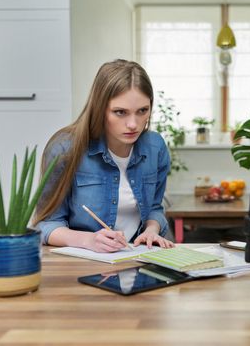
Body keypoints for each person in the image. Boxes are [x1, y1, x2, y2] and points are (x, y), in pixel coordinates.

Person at [34, 59, 175, 252]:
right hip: (84, 263)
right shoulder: (65, 148)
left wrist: (152, 229)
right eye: (120, 112)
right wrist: (89, 241)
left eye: (142, 111)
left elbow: (154, 209)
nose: (133, 124)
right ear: (100, 109)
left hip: (141, 257)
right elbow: (46, 225)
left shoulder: (155, 147)